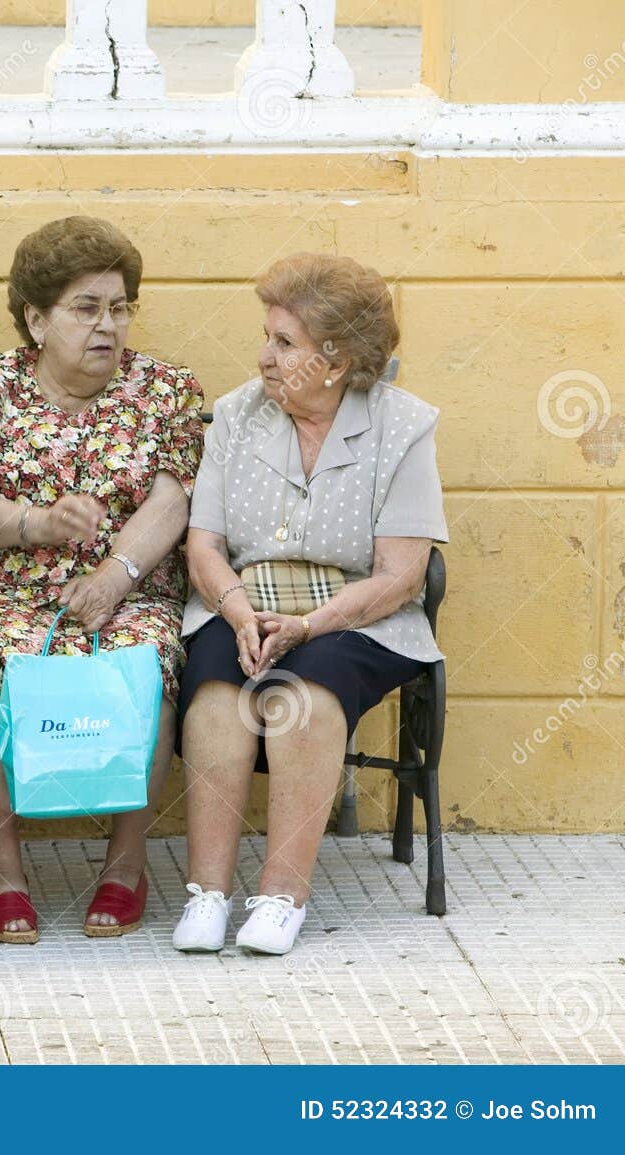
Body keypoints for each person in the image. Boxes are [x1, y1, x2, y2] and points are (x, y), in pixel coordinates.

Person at [0, 216, 202, 943]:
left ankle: (125, 863)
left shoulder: (165, 390)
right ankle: (4, 868)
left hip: (130, 584)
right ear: (35, 318)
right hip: (7, 587)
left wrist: (116, 573)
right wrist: (34, 524)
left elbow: (172, 497)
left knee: (147, 660)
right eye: (86, 308)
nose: (107, 325)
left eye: (119, 307)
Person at [175, 253, 446, 956]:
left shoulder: (403, 425)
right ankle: (207, 893)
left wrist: (306, 626)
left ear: (337, 361)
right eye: (266, 335)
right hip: (241, 601)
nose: (264, 356)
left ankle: (281, 895)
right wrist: (238, 614)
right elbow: (202, 546)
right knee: (213, 695)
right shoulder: (236, 416)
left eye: (284, 343)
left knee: (306, 695)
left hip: (357, 611)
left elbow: (400, 573)